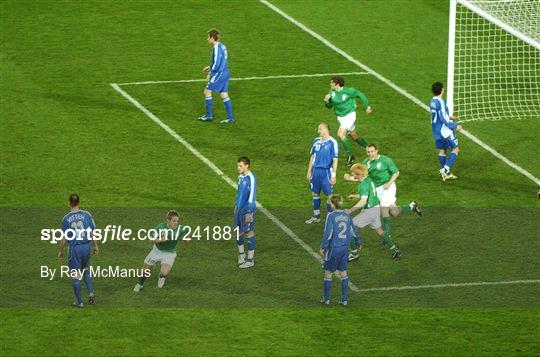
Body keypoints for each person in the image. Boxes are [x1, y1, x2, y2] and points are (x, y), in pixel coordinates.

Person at [344, 144, 421, 260]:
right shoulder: (368, 174)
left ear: (376, 151)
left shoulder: (385, 161)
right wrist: (354, 191)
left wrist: (350, 210)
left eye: (372, 151)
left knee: (349, 226)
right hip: (375, 199)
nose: (370, 154)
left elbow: (364, 199)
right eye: (368, 152)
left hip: (386, 188)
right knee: (390, 217)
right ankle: (394, 248)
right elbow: (362, 179)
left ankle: (355, 252)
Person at [346, 164, 401, 259]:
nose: (352, 174)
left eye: (353, 173)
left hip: (369, 211)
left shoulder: (363, 184)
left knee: (349, 227)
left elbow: (363, 201)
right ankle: (394, 250)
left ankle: (355, 254)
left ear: (359, 174)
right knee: (380, 231)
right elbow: (368, 194)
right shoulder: (369, 180)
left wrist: (350, 210)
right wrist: (355, 196)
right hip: (376, 209)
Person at [57, 193, 99, 307]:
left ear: (69, 203)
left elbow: (64, 238)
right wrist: (95, 246)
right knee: (85, 269)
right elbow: (92, 232)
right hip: (86, 247)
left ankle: (80, 302)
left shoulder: (66, 218)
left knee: (75, 275)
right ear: (79, 202)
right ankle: (91, 294)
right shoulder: (87, 215)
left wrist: (60, 251)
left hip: (75, 249)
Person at [319, 194, 361, 306]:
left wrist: (323, 246)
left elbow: (328, 233)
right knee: (343, 272)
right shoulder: (347, 216)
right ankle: (344, 300)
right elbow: (353, 230)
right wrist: (358, 242)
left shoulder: (331, 216)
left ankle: (326, 299)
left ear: (333, 204)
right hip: (344, 248)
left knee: (328, 273)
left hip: (333, 248)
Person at [133, 210, 188, 292]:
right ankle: (139, 284)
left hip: (169, 253)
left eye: (177, 221)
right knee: (144, 271)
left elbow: (187, 231)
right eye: (174, 221)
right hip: (157, 251)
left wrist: (186, 239)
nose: (176, 223)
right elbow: (151, 240)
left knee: (164, 273)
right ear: (168, 220)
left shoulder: (181, 229)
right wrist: (161, 240)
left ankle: (162, 277)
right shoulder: (160, 227)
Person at [324, 75, 372, 166]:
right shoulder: (332, 92)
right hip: (340, 118)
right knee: (354, 136)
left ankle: (350, 156)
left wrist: (368, 106)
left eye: (331, 82)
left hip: (350, 115)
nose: (330, 84)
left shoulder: (349, 91)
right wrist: (326, 101)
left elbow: (360, 94)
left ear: (337, 84)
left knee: (340, 134)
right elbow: (329, 106)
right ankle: (368, 147)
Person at [198, 28, 235, 123]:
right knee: (224, 94)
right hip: (225, 72)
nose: (207, 39)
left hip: (219, 73)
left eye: (208, 37)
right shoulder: (222, 46)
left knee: (207, 92)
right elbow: (220, 61)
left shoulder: (216, 48)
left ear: (212, 38)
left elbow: (217, 63)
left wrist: (210, 74)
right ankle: (231, 118)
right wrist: (210, 66)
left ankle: (209, 116)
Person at [305, 123, 339, 224]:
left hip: (326, 172)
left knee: (329, 195)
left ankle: (330, 217)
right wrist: (309, 171)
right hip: (316, 171)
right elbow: (312, 156)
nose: (318, 131)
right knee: (315, 193)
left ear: (326, 129)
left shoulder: (333, 142)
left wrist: (333, 175)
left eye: (320, 129)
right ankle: (316, 216)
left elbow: (335, 160)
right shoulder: (316, 141)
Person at [430, 82, 462, 181]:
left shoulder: (432, 101)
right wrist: (455, 126)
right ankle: (445, 169)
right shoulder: (441, 102)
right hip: (445, 130)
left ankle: (446, 173)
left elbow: (440, 115)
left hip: (436, 130)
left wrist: (450, 116)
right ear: (442, 90)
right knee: (456, 149)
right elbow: (443, 118)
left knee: (443, 150)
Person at [235, 156, 257, 268]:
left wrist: (249, 211)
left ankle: (250, 260)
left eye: (240, 166)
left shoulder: (251, 178)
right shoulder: (240, 177)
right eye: (238, 165)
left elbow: (252, 196)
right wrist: (236, 206)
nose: (238, 168)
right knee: (238, 231)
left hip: (247, 209)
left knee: (249, 232)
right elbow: (239, 193)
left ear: (247, 165)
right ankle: (241, 255)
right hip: (239, 209)